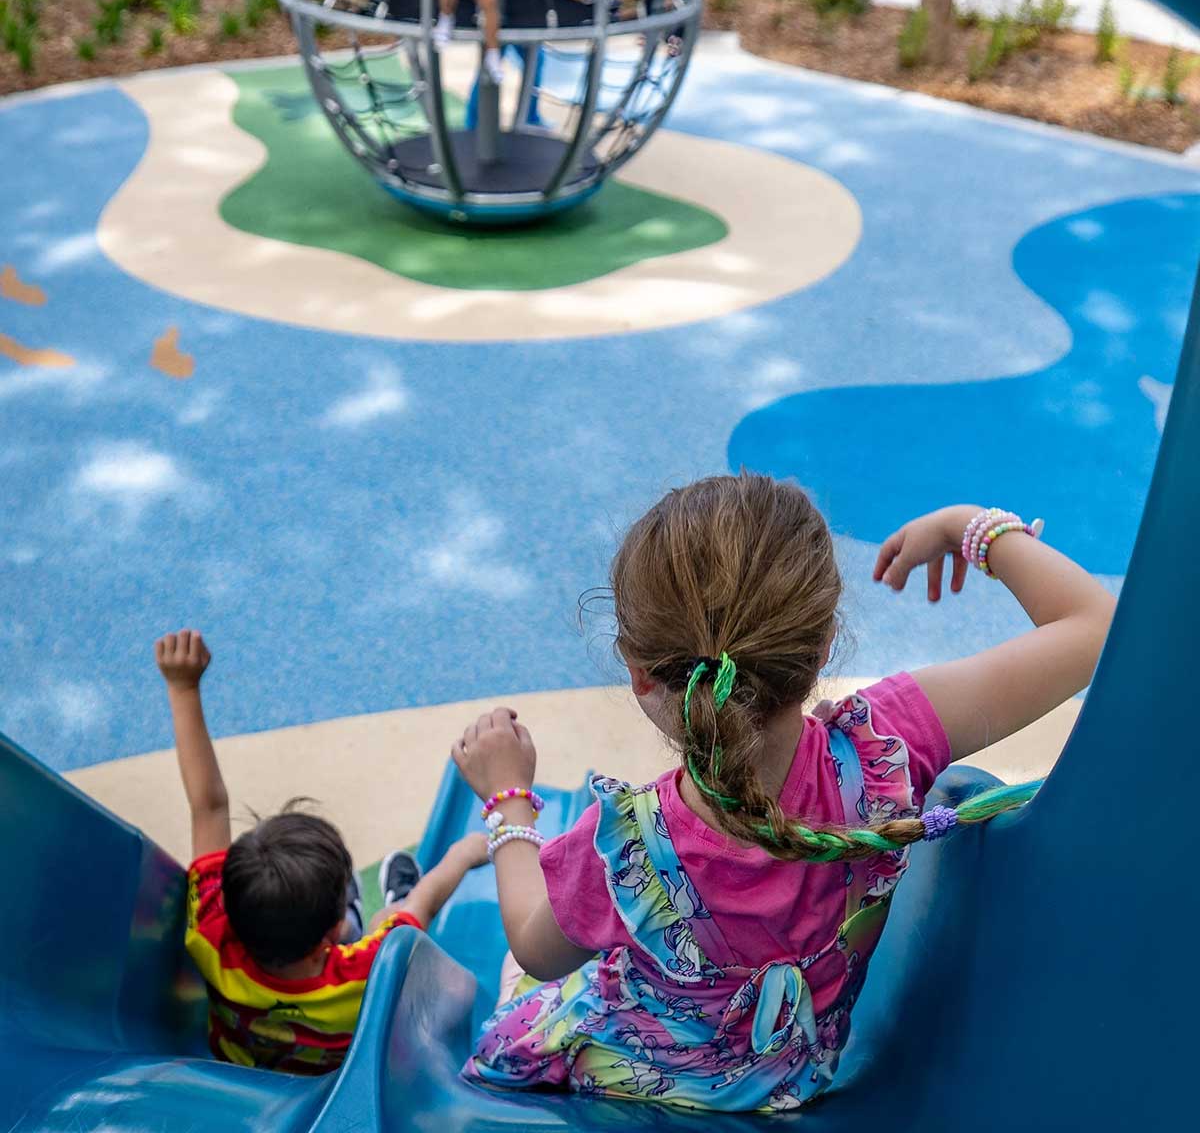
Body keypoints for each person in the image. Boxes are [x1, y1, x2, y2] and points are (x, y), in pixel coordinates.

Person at [451, 475, 1115, 1110]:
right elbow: (1095, 628)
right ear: (825, 644)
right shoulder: (888, 748)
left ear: (639, 673)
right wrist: (968, 526)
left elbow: (537, 950)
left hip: (647, 1073)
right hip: (790, 1077)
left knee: (520, 978)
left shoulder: (624, 849)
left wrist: (508, 800)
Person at [155, 629, 487, 1074]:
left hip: (246, 1063)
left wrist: (182, 688)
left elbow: (207, 806)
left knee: (390, 927)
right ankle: (375, 903)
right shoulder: (367, 970)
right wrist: (463, 855)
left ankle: (356, 902)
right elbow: (422, 908)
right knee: (394, 928)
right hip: (342, 1074)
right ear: (332, 932)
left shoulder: (211, 931)